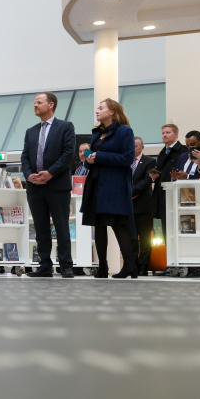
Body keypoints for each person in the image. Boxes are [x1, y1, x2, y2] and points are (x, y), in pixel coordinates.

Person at [21, 92, 76, 278]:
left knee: (61, 226)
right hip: (35, 187)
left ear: (51, 105)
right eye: (34, 103)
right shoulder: (30, 131)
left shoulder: (66, 127)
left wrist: (50, 173)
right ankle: (45, 265)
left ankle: (66, 265)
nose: (35, 105)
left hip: (57, 185)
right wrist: (29, 176)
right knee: (40, 228)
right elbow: (25, 157)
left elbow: (68, 154)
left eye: (39, 102)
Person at [80, 98, 136, 279]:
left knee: (119, 225)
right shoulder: (97, 133)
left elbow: (128, 158)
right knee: (99, 226)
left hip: (114, 185)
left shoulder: (124, 131)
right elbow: (94, 159)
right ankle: (102, 267)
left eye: (101, 108)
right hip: (96, 183)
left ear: (112, 111)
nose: (97, 110)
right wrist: (89, 160)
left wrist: (100, 156)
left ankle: (129, 266)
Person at [150, 124, 187, 237]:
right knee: (166, 230)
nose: (164, 135)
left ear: (176, 135)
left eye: (168, 132)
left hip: (176, 194)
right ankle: (168, 254)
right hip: (162, 194)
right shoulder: (162, 153)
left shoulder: (183, 151)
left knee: (178, 228)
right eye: (163, 133)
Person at [131, 136, 156, 276]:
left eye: (134, 146)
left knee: (145, 238)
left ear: (142, 147)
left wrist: (132, 192)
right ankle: (132, 265)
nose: (132, 148)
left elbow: (148, 179)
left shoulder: (150, 161)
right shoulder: (125, 161)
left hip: (143, 205)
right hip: (128, 206)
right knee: (131, 237)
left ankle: (143, 266)